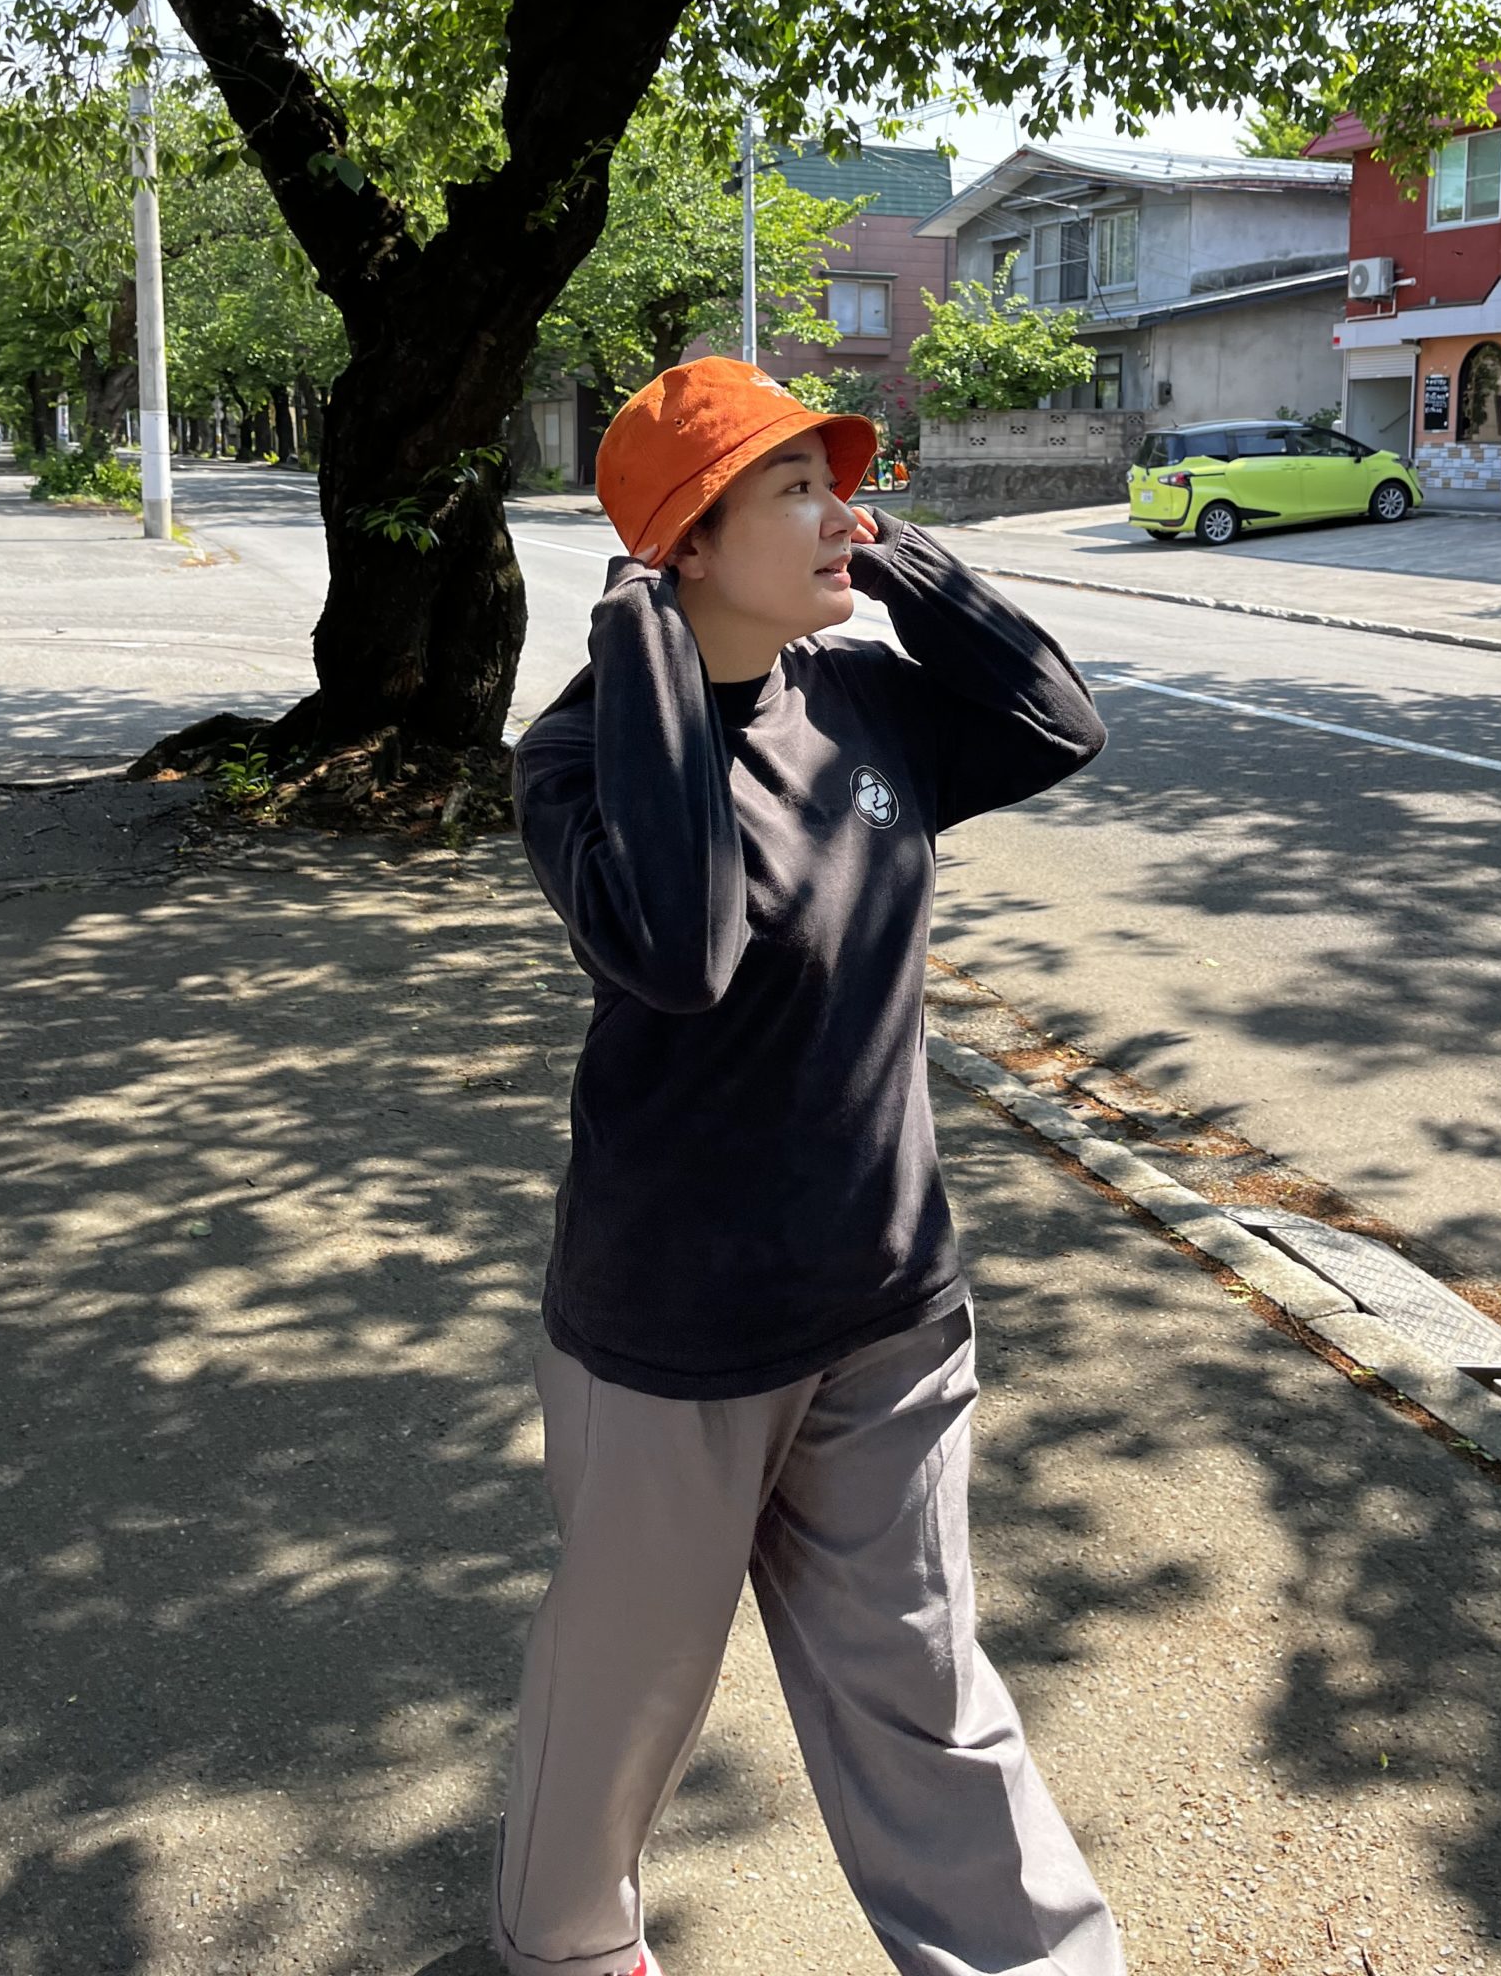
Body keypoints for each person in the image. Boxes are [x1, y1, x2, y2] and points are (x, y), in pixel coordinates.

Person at [496, 357, 1121, 1976]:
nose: (841, 513)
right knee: (626, 1690)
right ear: (685, 548)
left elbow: (1057, 722)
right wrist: (645, 660)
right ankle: (569, 1948)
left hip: (886, 1297)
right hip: (672, 1332)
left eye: (841, 485)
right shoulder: (576, 759)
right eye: (795, 491)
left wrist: (904, 563)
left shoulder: (861, 700)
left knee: (924, 1682)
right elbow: (683, 948)